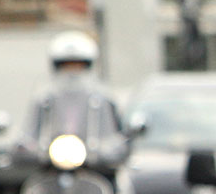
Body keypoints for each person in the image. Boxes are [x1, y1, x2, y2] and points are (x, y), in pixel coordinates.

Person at [13, 30, 129, 174]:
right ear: (56, 66)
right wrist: (28, 149)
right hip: (51, 170)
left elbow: (117, 137)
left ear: (89, 66)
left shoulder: (103, 97)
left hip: (96, 170)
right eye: (66, 66)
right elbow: (28, 135)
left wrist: (109, 150)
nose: (72, 72)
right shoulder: (44, 98)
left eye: (78, 65)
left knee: (122, 190)